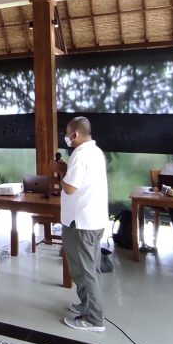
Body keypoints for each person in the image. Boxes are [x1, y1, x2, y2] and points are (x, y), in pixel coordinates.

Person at [60, 116, 108, 333]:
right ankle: (86, 305)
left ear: (75, 134)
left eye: (67, 133)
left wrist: (59, 172)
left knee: (84, 270)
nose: (66, 138)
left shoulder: (80, 154)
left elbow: (70, 188)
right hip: (94, 219)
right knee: (89, 267)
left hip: (81, 222)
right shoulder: (95, 151)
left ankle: (93, 319)